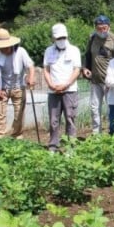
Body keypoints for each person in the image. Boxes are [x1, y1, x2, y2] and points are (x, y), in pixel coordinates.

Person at [0, 28, 35, 139]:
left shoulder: (20, 52)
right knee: (0, 113)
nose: (3, 48)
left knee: (19, 114)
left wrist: (31, 78)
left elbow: (30, 66)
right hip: (2, 88)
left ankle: (17, 135)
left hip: (18, 87)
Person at [43, 23, 82, 152]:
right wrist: (51, 85)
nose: (61, 40)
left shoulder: (74, 50)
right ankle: (53, 146)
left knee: (70, 118)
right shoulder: (48, 51)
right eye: (58, 38)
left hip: (69, 90)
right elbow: (46, 70)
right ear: (53, 38)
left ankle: (70, 147)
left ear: (66, 36)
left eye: (63, 37)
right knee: (54, 120)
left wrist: (65, 84)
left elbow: (76, 70)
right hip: (53, 90)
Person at [83, 15, 114, 134]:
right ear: (95, 28)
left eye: (104, 28)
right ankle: (96, 134)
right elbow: (87, 55)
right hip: (95, 80)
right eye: (99, 28)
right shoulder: (92, 38)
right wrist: (85, 68)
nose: (102, 31)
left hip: (110, 81)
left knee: (112, 108)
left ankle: (113, 132)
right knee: (95, 108)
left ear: (109, 27)